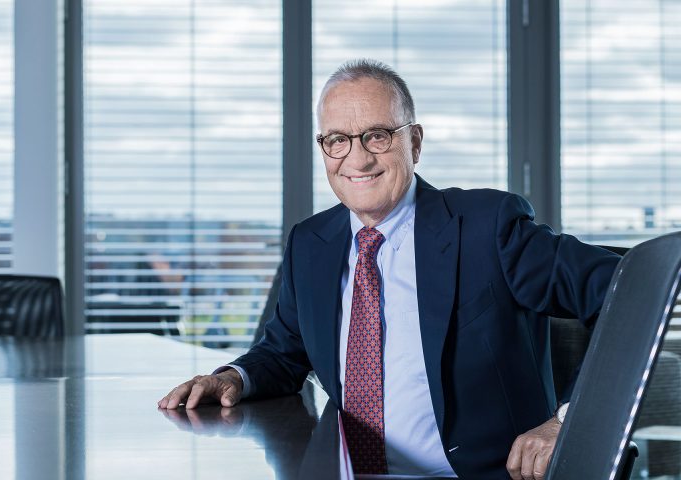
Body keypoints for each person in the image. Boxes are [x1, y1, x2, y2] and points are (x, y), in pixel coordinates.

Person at [158, 59, 620, 479]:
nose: (357, 159)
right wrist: (233, 377)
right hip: (338, 470)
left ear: (413, 143)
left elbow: (627, 292)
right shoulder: (311, 243)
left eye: (377, 135)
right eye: (337, 140)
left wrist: (569, 418)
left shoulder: (486, 227)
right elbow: (283, 351)